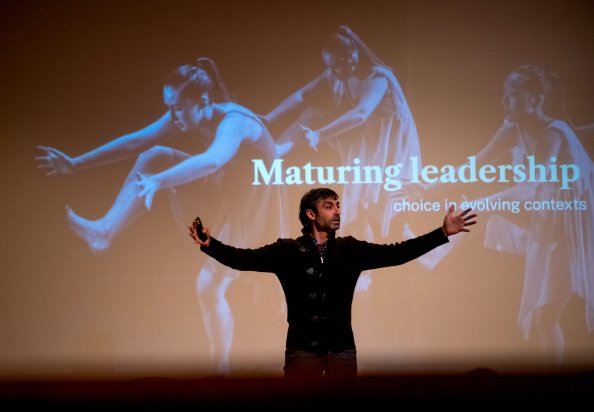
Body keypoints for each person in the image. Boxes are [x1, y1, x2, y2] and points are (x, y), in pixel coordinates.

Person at [35, 58, 290, 374]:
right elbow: (136, 141)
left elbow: (212, 160)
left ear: (203, 101)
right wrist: (75, 164)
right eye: (169, 107)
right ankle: (104, 230)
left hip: (254, 198)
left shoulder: (235, 121)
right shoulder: (185, 113)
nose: (173, 116)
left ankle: (221, 370)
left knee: (208, 286)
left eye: (178, 108)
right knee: (153, 155)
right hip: (225, 185)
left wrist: (159, 181)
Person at [406, 64, 594, 369]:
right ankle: (429, 255)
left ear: (536, 100)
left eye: (514, 94)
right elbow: (474, 166)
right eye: (504, 94)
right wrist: (426, 187)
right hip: (546, 216)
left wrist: (478, 204)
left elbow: (528, 190)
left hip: (571, 224)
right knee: (543, 317)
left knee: (545, 315)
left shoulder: (554, 133)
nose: (505, 101)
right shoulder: (513, 128)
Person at [188, 187, 477, 379]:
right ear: (311, 214)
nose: (337, 211)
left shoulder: (349, 249)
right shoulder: (287, 250)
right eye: (329, 206)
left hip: (342, 351)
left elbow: (398, 253)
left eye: (338, 206)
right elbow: (243, 259)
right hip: (301, 351)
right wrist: (210, 244)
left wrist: (442, 233)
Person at [260, 26, 443, 281]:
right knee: (314, 115)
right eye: (332, 68)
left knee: (385, 206)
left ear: (354, 56)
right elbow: (302, 95)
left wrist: (320, 134)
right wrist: (269, 118)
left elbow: (361, 114)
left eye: (340, 66)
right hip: (367, 143)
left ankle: (420, 261)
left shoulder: (377, 77)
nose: (336, 73)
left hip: (389, 146)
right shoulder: (337, 72)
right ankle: (277, 150)